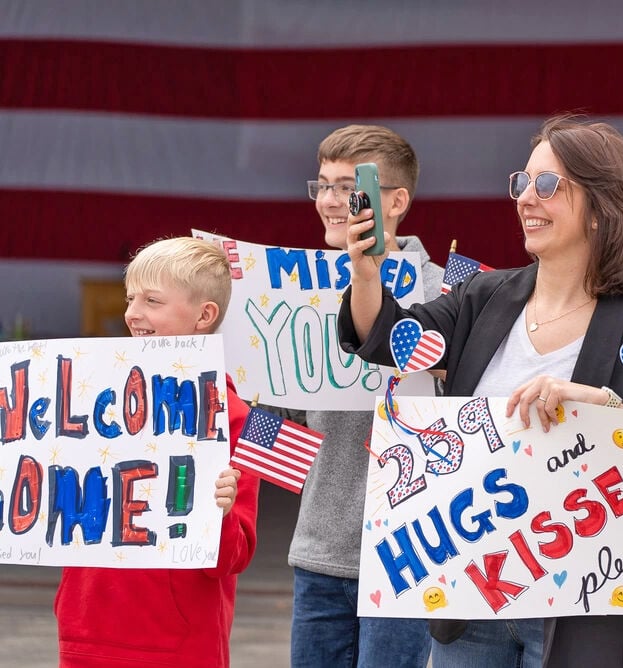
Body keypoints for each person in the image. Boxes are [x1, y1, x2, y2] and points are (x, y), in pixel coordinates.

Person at [338, 115, 623, 668]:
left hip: (584, 614)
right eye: (522, 182)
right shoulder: (484, 297)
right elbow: (387, 339)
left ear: (602, 208)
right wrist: (366, 276)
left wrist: (600, 405)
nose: (526, 198)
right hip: (471, 604)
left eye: (548, 185)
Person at [55, 236, 260, 667]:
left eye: (152, 300)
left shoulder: (233, 417)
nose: (132, 313)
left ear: (205, 315)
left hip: (180, 646)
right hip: (85, 632)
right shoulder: (91, 402)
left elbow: (235, 557)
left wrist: (219, 514)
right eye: (130, 297)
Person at [287, 124, 443, 668]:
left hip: (413, 549)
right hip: (321, 546)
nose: (330, 201)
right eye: (322, 185)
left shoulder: (450, 291)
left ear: (395, 200)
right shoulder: (293, 290)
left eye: (347, 186)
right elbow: (276, 414)